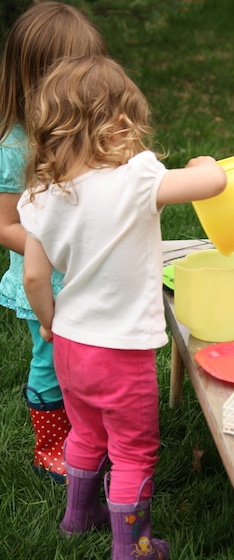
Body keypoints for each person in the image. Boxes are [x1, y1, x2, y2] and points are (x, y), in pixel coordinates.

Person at [18, 54, 226, 558]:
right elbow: (213, 184)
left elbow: (34, 275)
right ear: (119, 125)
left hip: (69, 342)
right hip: (121, 351)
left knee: (86, 432)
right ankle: (132, 547)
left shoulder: (40, 196)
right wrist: (205, 165)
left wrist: (49, 322)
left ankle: (77, 518)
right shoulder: (136, 180)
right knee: (133, 450)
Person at [0, 1, 108, 483]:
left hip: (90, 277)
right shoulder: (15, 147)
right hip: (46, 283)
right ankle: (50, 445)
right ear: (39, 80)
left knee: (90, 361)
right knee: (51, 361)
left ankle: (88, 436)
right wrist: (62, 247)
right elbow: (5, 225)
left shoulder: (86, 135)